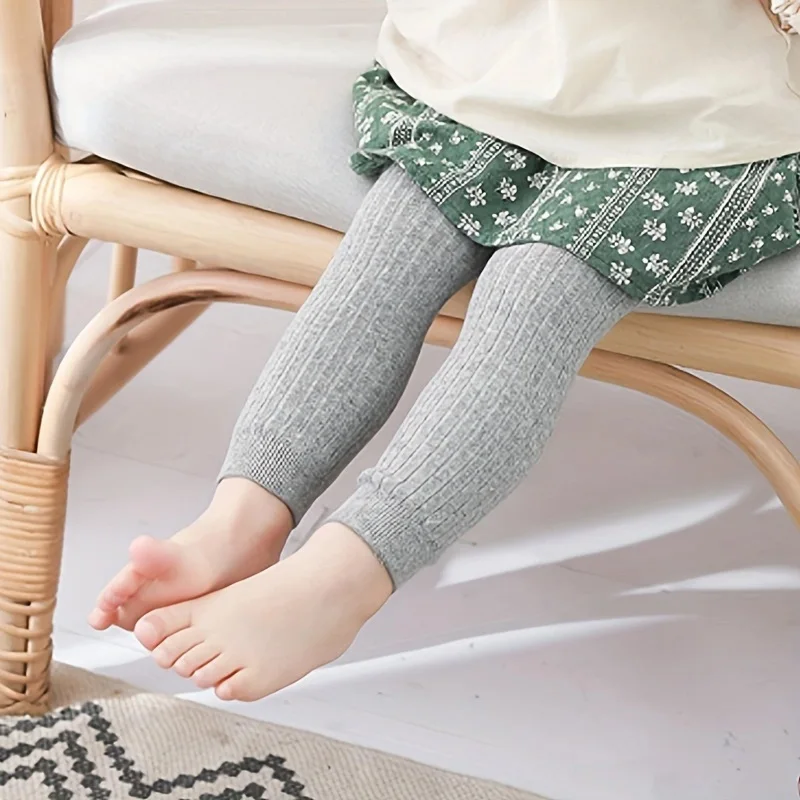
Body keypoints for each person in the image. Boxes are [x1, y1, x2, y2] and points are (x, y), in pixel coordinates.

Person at [88, 0, 800, 702]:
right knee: (388, 256)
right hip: (490, 78)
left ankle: (343, 575)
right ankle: (242, 518)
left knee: (538, 291)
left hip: (705, 126)